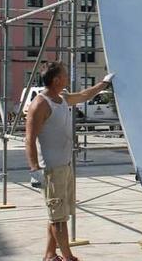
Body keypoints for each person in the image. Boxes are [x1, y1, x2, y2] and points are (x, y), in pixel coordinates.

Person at [26, 61, 115, 261]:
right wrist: (34, 170)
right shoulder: (40, 104)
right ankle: (68, 257)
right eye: (65, 75)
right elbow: (29, 139)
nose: (67, 78)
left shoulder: (62, 98)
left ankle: (50, 255)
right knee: (58, 219)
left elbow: (84, 95)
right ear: (56, 79)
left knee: (58, 215)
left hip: (65, 166)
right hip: (51, 170)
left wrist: (104, 83)